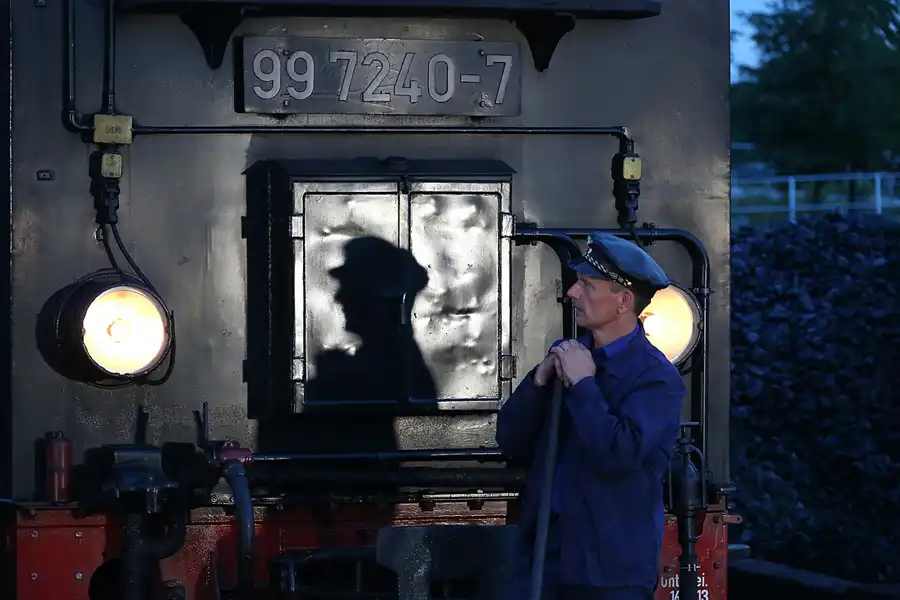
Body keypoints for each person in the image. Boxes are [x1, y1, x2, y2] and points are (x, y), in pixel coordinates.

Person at [496, 231, 687, 600]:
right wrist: (538, 381)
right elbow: (511, 439)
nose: (572, 292)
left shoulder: (656, 379)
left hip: (609, 572)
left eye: (587, 285)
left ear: (623, 301)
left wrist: (584, 385)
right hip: (545, 561)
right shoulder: (568, 356)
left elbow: (618, 455)